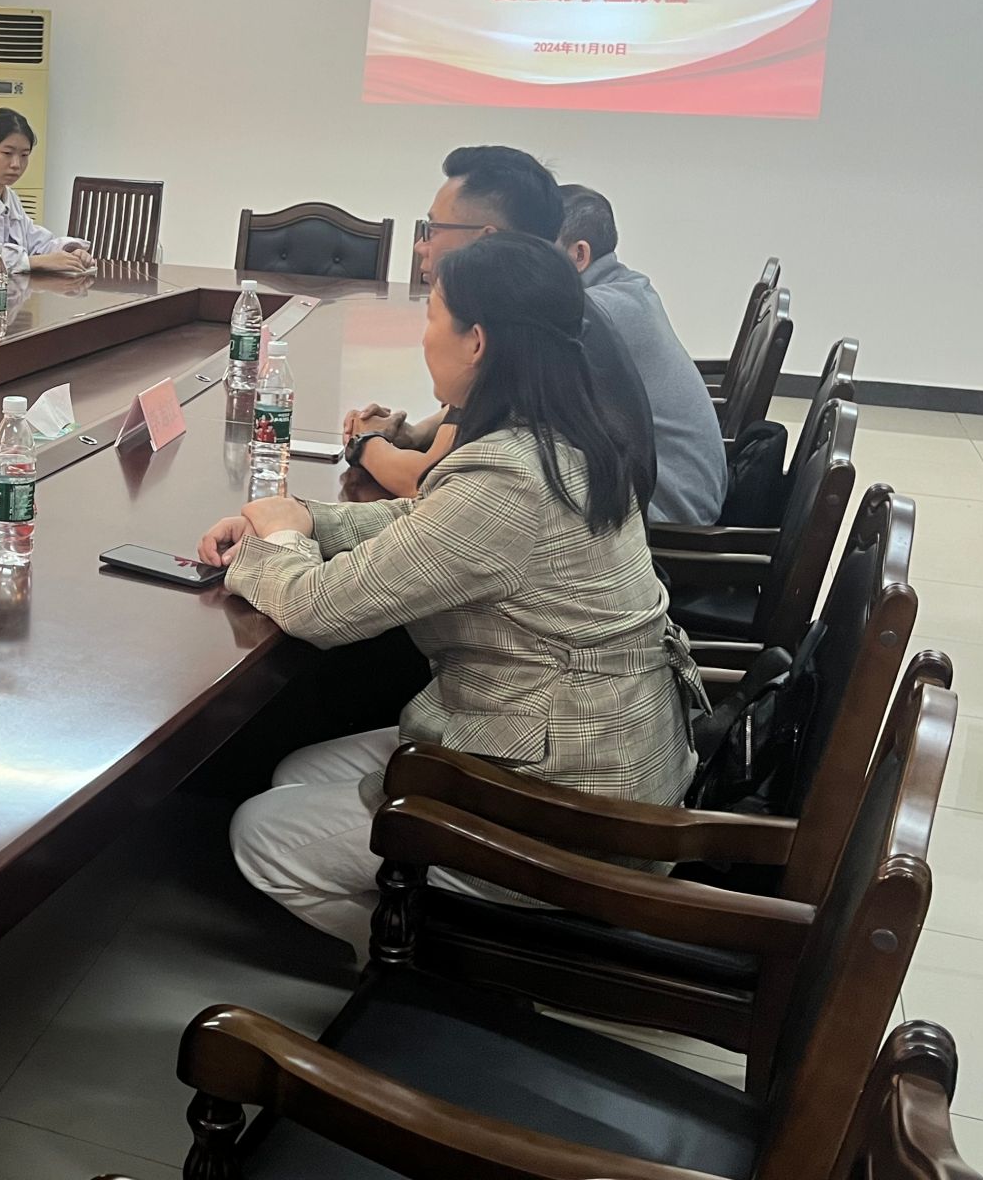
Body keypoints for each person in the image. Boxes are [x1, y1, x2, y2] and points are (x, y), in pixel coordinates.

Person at [200, 233, 705, 947]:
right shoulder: (571, 432)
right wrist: (306, 516)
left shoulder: (511, 476)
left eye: (432, 314)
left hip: (572, 809)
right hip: (614, 754)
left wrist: (277, 543)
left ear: (477, 341)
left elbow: (319, 608)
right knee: (295, 771)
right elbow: (430, 524)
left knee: (262, 834)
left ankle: (453, 966)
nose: (423, 334)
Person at [344, 145, 655, 506]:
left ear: (486, 240)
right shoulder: (547, 300)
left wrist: (364, 442)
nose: (420, 245)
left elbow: (425, 480)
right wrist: (413, 434)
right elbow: (472, 413)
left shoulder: (523, 324)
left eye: (433, 229)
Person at [557, 184, 728, 525]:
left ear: (579, 255)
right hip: (690, 490)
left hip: (671, 510)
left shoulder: (598, 312)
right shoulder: (630, 289)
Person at [0, 110, 97, 274]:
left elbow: (35, 241)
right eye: (7, 153)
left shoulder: (10, 197)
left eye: (24, 155)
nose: (16, 164)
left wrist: (71, 252)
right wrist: (33, 262)